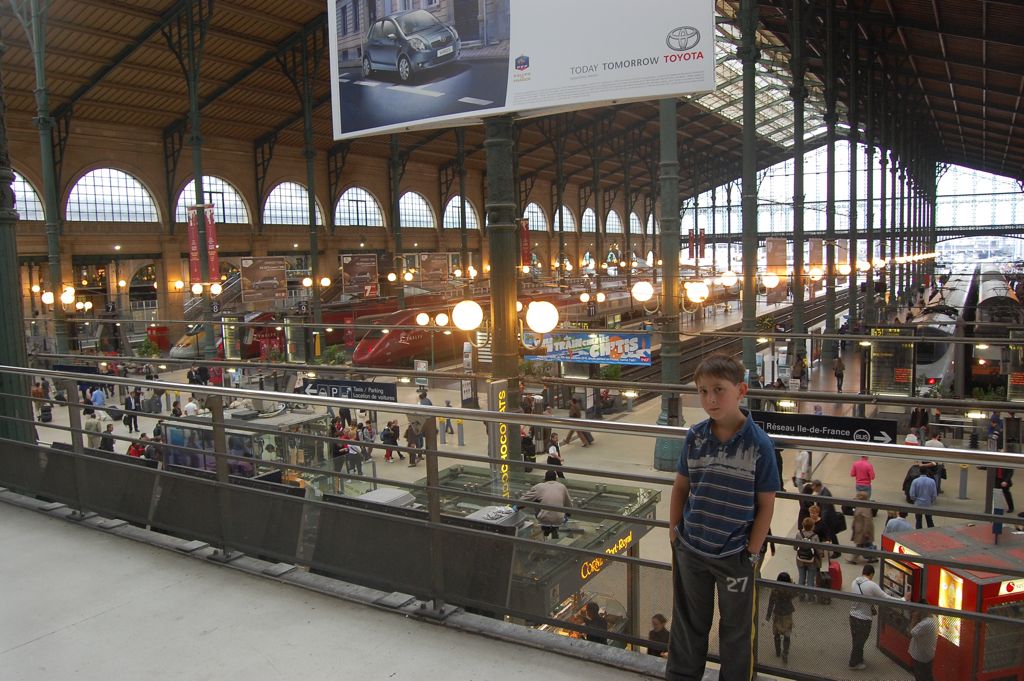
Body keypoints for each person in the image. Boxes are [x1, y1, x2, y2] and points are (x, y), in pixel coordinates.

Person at [667, 354, 779, 681]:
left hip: (735, 556)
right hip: (691, 549)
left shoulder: (760, 445)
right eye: (702, 391)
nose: (710, 400)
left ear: (741, 390)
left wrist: (752, 553)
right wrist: (674, 532)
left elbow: (766, 504)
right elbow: (681, 487)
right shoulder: (695, 437)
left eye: (719, 390)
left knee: (737, 628)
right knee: (688, 623)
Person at [848, 564, 907, 670]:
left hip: (852, 616)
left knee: (856, 639)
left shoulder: (855, 582)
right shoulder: (871, 585)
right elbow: (885, 598)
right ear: (871, 574)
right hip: (864, 619)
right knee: (860, 641)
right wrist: (903, 600)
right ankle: (854, 662)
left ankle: (859, 659)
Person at [520, 470, 572, 539]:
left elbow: (523, 499)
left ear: (545, 478)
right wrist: (567, 515)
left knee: (536, 500)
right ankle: (554, 531)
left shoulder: (539, 486)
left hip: (543, 519)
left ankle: (545, 531)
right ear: (556, 479)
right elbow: (569, 505)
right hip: (559, 519)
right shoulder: (562, 487)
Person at [765, 572, 796, 664]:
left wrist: (768, 615)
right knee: (787, 634)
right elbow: (796, 594)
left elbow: (771, 603)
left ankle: (778, 651)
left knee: (776, 633)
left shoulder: (775, 590)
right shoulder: (790, 589)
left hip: (777, 613)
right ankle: (785, 653)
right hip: (787, 613)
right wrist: (793, 584)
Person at [794, 517, 823, 602]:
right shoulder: (815, 536)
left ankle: (801, 596)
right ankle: (810, 597)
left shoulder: (799, 535)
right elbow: (818, 549)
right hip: (811, 561)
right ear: (813, 526)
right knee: (810, 579)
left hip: (800, 560)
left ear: (803, 525)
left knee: (801, 577)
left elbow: (795, 547)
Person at [908, 601, 937, 681]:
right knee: (927, 675)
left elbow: (911, 633)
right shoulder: (933, 618)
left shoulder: (925, 624)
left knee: (921, 676)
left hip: (920, 657)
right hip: (928, 655)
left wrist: (914, 618)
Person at [849, 491, 877, 563]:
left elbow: (867, 522)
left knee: (859, 544)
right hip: (859, 529)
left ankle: (853, 559)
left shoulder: (865, 508)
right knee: (866, 544)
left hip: (862, 531)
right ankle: (873, 557)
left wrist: (866, 532)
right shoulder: (861, 506)